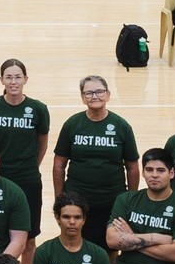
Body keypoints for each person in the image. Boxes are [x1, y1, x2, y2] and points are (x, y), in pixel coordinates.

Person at [0, 58, 50, 264]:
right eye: (9, 77)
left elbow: (42, 143)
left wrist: (31, 165)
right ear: (1, 80)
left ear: (25, 79)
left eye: (18, 77)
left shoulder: (38, 108)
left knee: (29, 239)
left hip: (28, 180)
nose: (13, 81)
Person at [51, 75, 137, 250]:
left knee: (110, 247)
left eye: (99, 91)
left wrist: (129, 200)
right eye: (88, 93)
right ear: (82, 98)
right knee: (76, 244)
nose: (94, 96)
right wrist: (59, 198)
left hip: (111, 200)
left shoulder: (121, 126)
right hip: (78, 200)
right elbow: (59, 164)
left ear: (108, 95)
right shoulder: (73, 124)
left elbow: (132, 167)